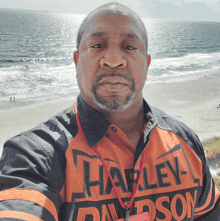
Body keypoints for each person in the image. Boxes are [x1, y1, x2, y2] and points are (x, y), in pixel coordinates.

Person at [0, 2, 219, 221]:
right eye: (97, 45)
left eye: (129, 47)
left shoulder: (186, 141)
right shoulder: (36, 154)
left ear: (147, 64)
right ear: (77, 62)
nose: (113, 61)